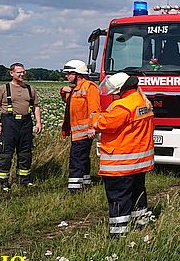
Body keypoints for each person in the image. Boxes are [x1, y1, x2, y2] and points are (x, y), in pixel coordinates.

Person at [90, 72, 154, 237]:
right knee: (138, 193)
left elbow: (107, 124)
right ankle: (141, 225)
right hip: (138, 162)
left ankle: (118, 234)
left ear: (119, 88)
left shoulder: (123, 106)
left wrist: (95, 118)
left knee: (118, 197)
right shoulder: (140, 101)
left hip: (121, 163)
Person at [0, 63, 42, 190]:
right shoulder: (4, 88)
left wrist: (38, 122)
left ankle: (24, 180)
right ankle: (2, 182)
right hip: (8, 123)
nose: (22, 74)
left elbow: (36, 107)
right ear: (11, 73)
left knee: (25, 153)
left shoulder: (30, 89)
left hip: (25, 123)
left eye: (23, 72)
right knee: (5, 153)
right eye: (19, 72)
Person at [60, 60, 101, 193]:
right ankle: (85, 182)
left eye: (68, 74)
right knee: (82, 158)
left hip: (84, 132)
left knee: (76, 159)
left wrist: (92, 128)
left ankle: (75, 188)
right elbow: (70, 103)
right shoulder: (76, 89)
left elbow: (95, 109)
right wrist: (63, 91)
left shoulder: (90, 87)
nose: (66, 76)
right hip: (77, 132)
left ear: (77, 73)